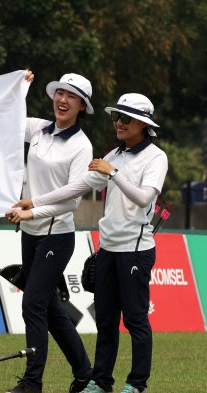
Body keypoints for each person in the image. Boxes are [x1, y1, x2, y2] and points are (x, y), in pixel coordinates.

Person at [10, 93, 168, 393]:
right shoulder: (112, 156)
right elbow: (78, 187)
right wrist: (34, 203)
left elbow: (145, 197)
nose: (118, 123)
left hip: (136, 251)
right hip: (107, 249)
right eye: (116, 117)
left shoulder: (156, 157)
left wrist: (114, 174)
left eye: (125, 119)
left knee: (135, 320)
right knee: (106, 320)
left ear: (143, 124)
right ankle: (100, 381)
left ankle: (136, 384)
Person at [4, 73, 94, 393]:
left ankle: (32, 382)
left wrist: (31, 210)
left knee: (32, 303)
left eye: (72, 96)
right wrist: (21, 86)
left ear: (82, 106)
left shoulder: (82, 147)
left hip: (57, 235)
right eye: (60, 93)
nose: (63, 100)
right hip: (29, 232)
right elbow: (9, 119)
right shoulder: (39, 128)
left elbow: (71, 201)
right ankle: (85, 372)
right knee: (50, 307)